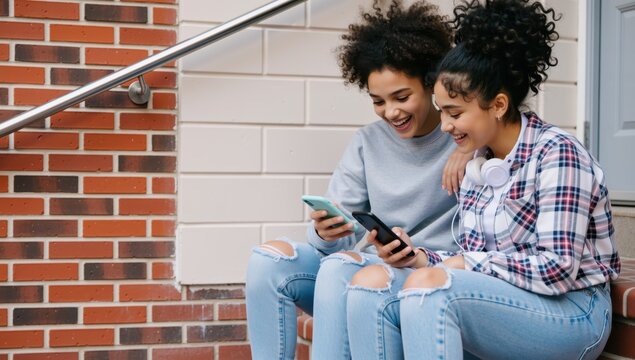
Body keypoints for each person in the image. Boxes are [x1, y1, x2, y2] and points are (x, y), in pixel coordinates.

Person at [347, 0, 621, 359]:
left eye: (455, 112)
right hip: (505, 299)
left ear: (499, 104)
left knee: (432, 290)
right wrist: (417, 257)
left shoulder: (557, 154)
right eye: (442, 110)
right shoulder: (479, 163)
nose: (445, 125)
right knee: (371, 284)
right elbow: (470, 257)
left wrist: (462, 265)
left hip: (573, 312)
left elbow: (556, 270)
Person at [245, 1, 471, 359]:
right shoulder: (369, 141)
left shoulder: (466, 134)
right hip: (370, 265)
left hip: (425, 273)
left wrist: (469, 147)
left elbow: (512, 127)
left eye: (402, 97)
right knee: (267, 262)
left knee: (339, 271)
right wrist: (325, 232)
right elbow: (341, 238)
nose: (390, 112)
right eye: (378, 101)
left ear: (431, 83)